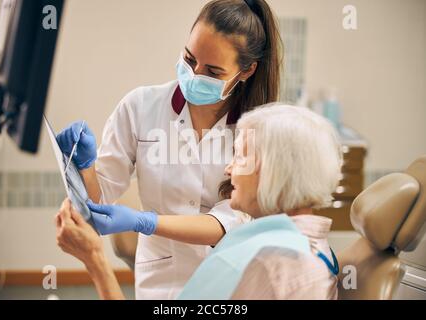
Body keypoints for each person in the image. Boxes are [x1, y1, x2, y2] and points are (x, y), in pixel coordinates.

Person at [56, 0, 282, 299]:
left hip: (230, 280)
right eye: (189, 59)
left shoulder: (258, 130)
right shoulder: (140, 107)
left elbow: (229, 221)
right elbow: (98, 202)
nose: (194, 74)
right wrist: (83, 166)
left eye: (212, 72)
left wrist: (146, 222)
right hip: (160, 279)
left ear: (246, 71)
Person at [56, 104, 342, 300]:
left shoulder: (270, 264)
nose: (229, 169)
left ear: (275, 172)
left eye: (241, 156)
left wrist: (94, 260)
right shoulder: (315, 249)